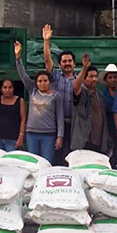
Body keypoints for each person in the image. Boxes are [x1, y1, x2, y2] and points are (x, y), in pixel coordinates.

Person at [15, 41, 64, 163]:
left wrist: (60, 136)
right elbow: (23, 75)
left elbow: (60, 117)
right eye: (40, 81)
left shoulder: (55, 96)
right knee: (33, 163)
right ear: (36, 83)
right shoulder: (33, 91)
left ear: (50, 81)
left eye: (45, 80)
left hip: (49, 134)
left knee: (47, 162)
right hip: (31, 133)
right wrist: (18, 57)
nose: (42, 83)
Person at [43, 24, 75, 163]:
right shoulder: (55, 77)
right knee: (57, 155)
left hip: (75, 124)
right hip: (57, 124)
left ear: (74, 63)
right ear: (60, 64)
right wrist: (46, 41)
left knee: (73, 156)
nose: (67, 63)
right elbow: (47, 60)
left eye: (69, 61)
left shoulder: (80, 80)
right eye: (64, 61)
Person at [72, 54, 111, 154]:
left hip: (98, 141)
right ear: (84, 79)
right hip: (83, 141)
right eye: (90, 76)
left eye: (95, 76)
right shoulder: (82, 93)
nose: (94, 79)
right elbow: (76, 87)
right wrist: (84, 67)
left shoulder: (100, 95)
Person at [101, 63, 117, 166]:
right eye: (110, 77)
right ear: (105, 80)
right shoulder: (102, 95)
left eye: (115, 77)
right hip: (108, 130)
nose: (113, 80)